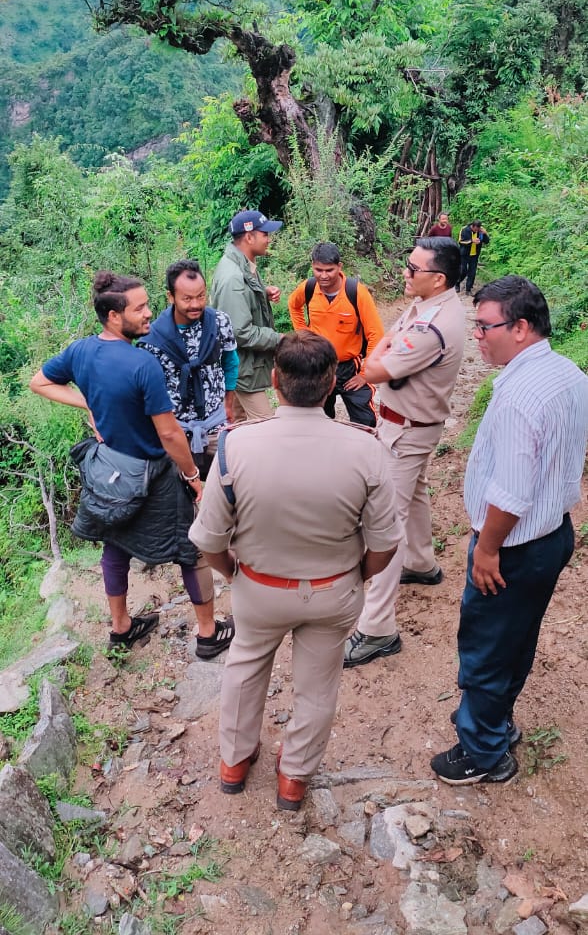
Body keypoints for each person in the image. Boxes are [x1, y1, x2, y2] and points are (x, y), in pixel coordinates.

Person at [189, 331, 402, 811]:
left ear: (275, 380)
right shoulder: (366, 448)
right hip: (333, 590)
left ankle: (234, 763)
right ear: (331, 385)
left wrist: (233, 574)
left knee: (244, 667)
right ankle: (294, 778)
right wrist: (353, 575)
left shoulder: (235, 446)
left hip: (259, 587)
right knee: (318, 683)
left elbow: (208, 539)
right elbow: (387, 544)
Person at [431, 276, 588, 786]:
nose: (477, 336)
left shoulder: (521, 394)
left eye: (484, 327)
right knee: (516, 637)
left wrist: (487, 548)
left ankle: (482, 751)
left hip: (515, 543)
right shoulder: (568, 373)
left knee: (487, 644)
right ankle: (495, 722)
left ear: (520, 328)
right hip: (553, 534)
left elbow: (514, 491)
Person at [29, 271, 232, 660]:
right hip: (153, 472)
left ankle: (121, 627)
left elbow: (40, 382)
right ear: (113, 316)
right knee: (191, 550)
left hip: (110, 472)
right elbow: (170, 434)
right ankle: (208, 634)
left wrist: (85, 401)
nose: (148, 314)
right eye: (139, 308)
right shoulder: (143, 365)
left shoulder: (81, 352)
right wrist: (194, 477)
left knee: (116, 545)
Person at [344, 236, 466, 667]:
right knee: (414, 495)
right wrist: (379, 355)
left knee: (385, 523)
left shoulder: (433, 327)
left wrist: (374, 361)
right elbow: (385, 343)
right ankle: (421, 562)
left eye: (413, 269)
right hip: (412, 426)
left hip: (407, 430)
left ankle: (377, 628)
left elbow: (375, 366)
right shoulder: (430, 305)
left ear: (439, 278)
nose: (405, 273)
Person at [138, 259, 239, 478]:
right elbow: (149, 392)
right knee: (180, 498)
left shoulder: (219, 322)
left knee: (232, 482)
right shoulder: (152, 339)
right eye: (187, 298)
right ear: (170, 297)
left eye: (201, 296)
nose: (196, 304)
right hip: (176, 429)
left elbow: (230, 362)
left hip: (216, 422)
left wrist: (229, 403)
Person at [287, 242, 384, 427]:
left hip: (350, 367)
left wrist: (365, 374)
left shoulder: (356, 293)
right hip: (317, 365)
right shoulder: (308, 288)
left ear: (339, 267)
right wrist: (302, 332)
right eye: (318, 269)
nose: (323, 275)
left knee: (365, 420)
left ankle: (363, 452)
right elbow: (294, 305)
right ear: (312, 266)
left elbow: (375, 334)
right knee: (318, 418)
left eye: (329, 270)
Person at [209, 210, 283, 422]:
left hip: (243, 366)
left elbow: (239, 303)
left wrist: (262, 292)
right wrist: (279, 340)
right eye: (265, 234)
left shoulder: (242, 264)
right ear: (249, 237)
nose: (268, 239)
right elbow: (240, 332)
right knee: (267, 425)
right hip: (242, 369)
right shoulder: (233, 277)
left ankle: (233, 455)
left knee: (240, 423)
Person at [457, 220, 489, 294]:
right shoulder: (465, 229)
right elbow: (461, 241)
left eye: (478, 230)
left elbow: (486, 241)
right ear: (472, 226)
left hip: (474, 255)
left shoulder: (480, 231)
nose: (476, 231)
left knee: (472, 272)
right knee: (463, 271)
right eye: (475, 229)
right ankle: (457, 283)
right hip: (464, 254)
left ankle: (468, 289)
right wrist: (472, 241)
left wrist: (485, 233)